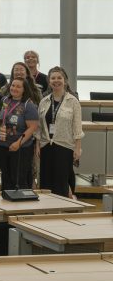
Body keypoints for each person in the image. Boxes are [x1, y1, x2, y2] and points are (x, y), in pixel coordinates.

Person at [37, 66, 83, 197]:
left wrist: (78, 148)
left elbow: (77, 127)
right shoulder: (44, 101)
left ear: (65, 81)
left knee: (61, 181)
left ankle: (63, 209)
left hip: (64, 146)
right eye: (53, 78)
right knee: (46, 181)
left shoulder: (73, 101)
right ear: (49, 81)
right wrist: (37, 145)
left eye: (59, 78)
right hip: (46, 146)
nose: (56, 80)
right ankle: (47, 211)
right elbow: (40, 127)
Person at [0, 77, 40, 190]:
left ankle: (22, 205)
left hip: (21, 148)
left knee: (18, 180)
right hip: (3, 146)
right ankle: (7, 204)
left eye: (18, 86)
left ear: (24, 89)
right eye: (13, 85)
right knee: (6, 179)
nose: (14, 88)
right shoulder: (5, 100)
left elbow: (32, 128)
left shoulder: (28, 105)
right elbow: (1, 118)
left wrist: (18, 143)